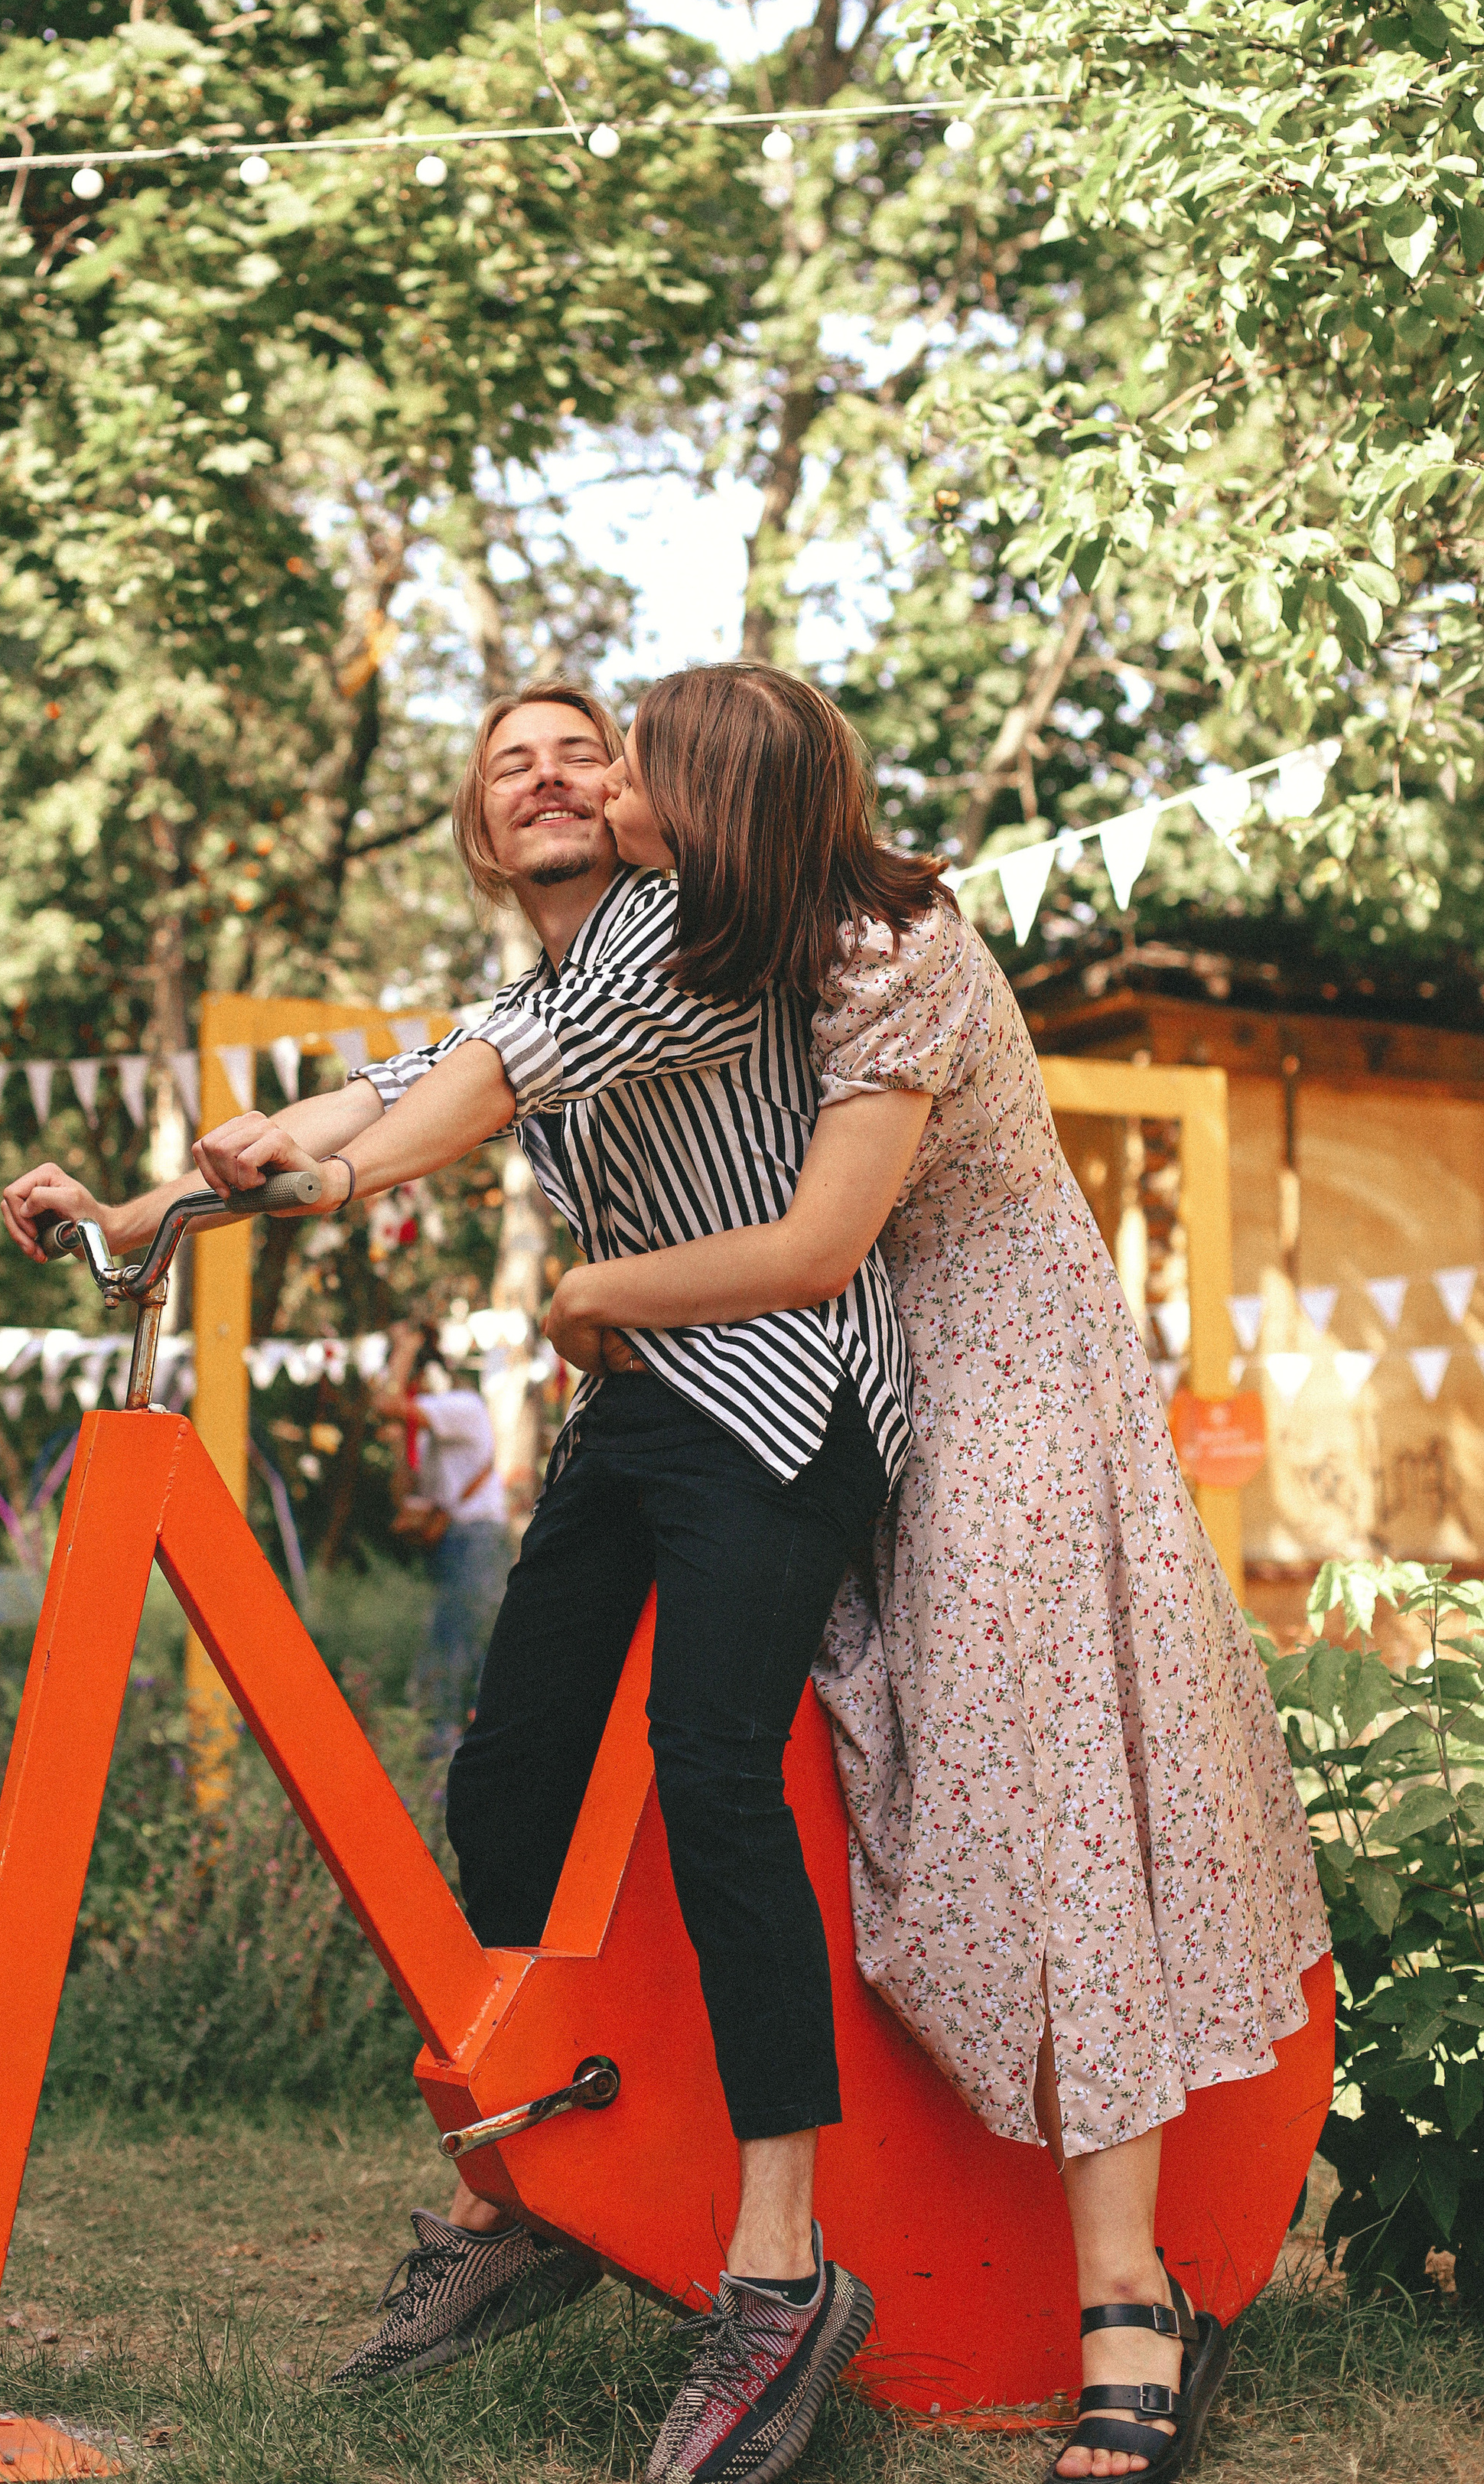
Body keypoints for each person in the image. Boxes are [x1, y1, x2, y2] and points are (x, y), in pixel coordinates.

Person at [2, 672, 916, 2484]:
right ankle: (533, 2182)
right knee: (505, 1779)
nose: (555, 772)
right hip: (646, 1404)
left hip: (790, 1384)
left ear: (640, 799)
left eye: (588, 746)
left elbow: (457, 1100)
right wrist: (137, 1210)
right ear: (482, 831)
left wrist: (321, 1174)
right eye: (512, 761)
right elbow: (397, 1082)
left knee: (711, 1763)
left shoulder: (684, 925)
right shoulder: (536, 986)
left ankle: (777, 2270)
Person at [537, 666, 1332, 2484]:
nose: (605, 775)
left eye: (635, 754)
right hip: (861, 1402)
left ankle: (1128, 2301)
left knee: (1045, 1805)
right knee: (836, 1771)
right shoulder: (719, 936)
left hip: (1004, 1395)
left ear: (712, 797)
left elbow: (819, 1239)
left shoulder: (890, 950)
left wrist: (595, 1294)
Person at [370, 1321, 508, 1753]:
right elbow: (407, 1497)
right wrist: (397, 1447)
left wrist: (403, 1351)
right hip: (456, 1544)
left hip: (477, 1541)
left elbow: (385, 1403)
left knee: (457, 1647)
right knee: (450, 1643)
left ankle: (445, 1752)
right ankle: (446, 1751)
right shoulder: (435, 1438)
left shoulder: (462, 1406)